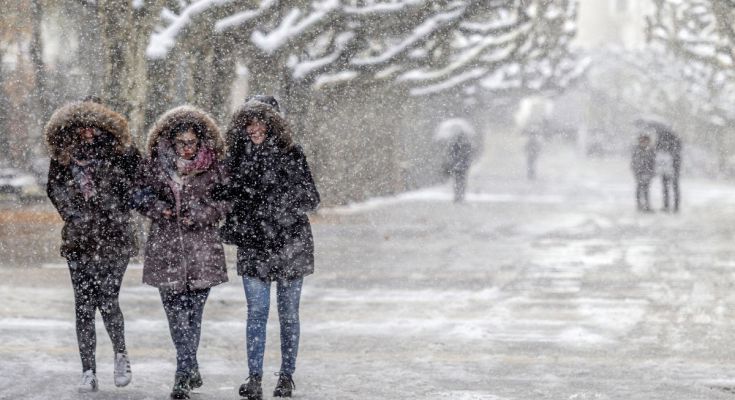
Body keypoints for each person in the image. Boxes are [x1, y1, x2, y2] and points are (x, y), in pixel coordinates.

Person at [215, 96, 320, 400]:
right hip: (253, 245)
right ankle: (255, 378)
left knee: (288, 314)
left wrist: (278, 203)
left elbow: (311, 198)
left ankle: (286, 376)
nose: (255, 127)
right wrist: (234, 197)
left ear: (274, 123)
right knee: (256, 312)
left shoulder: (292, 154)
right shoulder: (234, 157)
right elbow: (223, 194)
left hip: (290, 244)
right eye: (249, 121)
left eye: (261, 121)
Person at [45, 99, 140, 392]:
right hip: (79, 241)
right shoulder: (64, 155)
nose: (88, 130)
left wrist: (116, 208)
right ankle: (88, 370)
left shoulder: (122, 153)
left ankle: (121, 353)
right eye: (82, 124)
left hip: (115, 239)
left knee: (108, 299)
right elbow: (54, 188)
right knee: (83, 306)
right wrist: (73, 213)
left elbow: (137, 184)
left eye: (94, 124)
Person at [135, 106, 228, 400]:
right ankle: (187, 368)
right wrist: (159, 209)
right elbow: (138, 195)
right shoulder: (154, 166)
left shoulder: (214, 166)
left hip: (202, 251)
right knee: (176, 317)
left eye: (192, 143)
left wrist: (202, 214)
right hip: (166, 250)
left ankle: (183, 372)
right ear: (170, 142)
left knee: (193, 316)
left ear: (200, 142)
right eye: (181, 143)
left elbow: (227, 201)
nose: (187, 148)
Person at [656, 129, 682, 212]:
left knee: (667, 188)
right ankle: (674, 206)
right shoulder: (675, 141)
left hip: (669, 168)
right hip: (670, 168)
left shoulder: (663, 142)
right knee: (672, 188)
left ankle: (668, 206)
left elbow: (657, 152)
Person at [631, 133, 655, 212]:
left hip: (647, 173)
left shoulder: (651, 150)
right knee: (639, 189)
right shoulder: (637, 150)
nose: (644, 142)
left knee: (646, 189)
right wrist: (636, 172)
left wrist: (651, 172)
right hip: (639, 173)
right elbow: (634, 162)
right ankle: (639, 205)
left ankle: (647, 205)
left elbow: (653, 162)